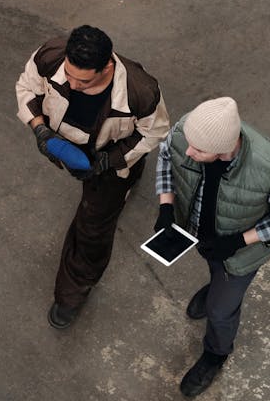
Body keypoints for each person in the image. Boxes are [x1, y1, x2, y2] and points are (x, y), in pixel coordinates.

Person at [16, 26, 170, 329]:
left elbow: (154, 132)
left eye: (83, 81)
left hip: (108, 161)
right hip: (65, 142)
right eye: (68, 75)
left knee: (92, 229)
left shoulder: (141, 92)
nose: (71, 85)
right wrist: (39, 129)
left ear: (108, 68)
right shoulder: (51, 56)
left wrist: (108, 161)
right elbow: (26, 87)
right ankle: (130, 174)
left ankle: (72, 293)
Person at [154, 96, 270, 397]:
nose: (189, 152)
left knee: (221, 312)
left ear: (224, 149)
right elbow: (166, 157)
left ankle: (215, 355)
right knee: (214, 270)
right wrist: (166, 206)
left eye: (198, 150)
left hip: (240, 254)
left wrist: (238, 241)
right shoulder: (188, 131)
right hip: (206, 238)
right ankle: (214, 287)